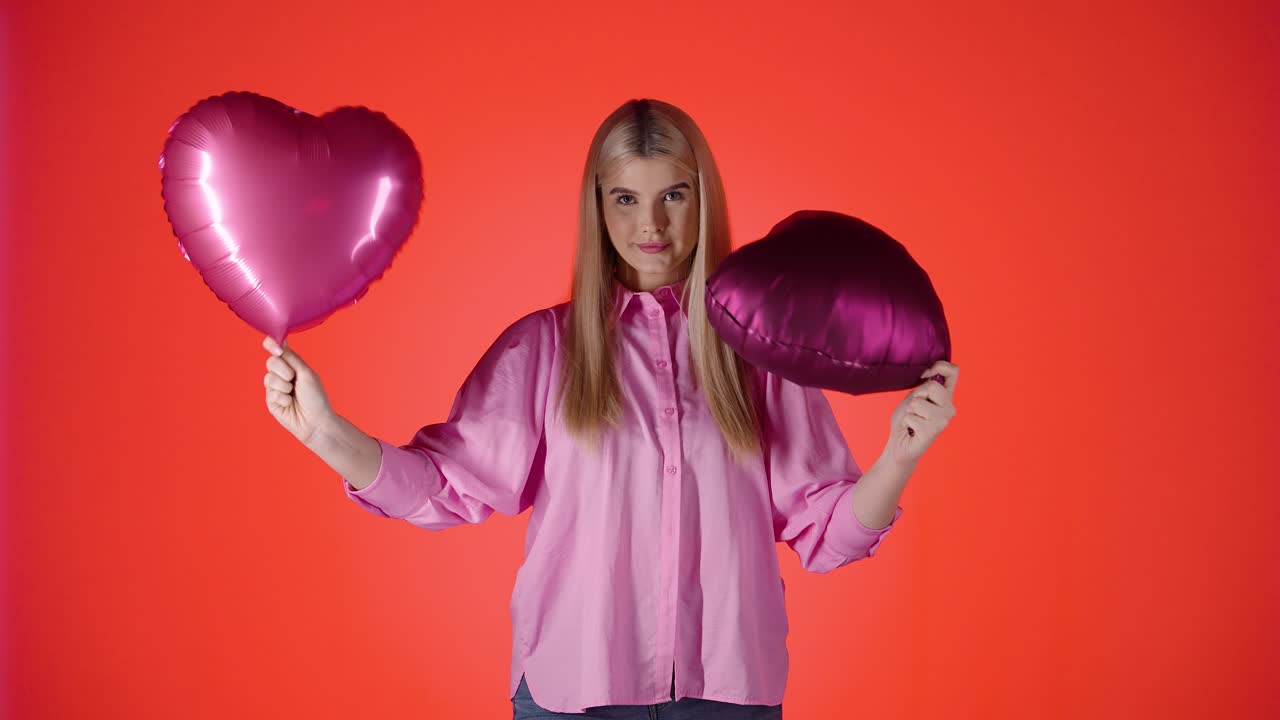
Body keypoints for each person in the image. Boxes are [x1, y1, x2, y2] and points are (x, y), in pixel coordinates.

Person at [262, 98, 958, 719]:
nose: (650, 224)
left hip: (729, 697)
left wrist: (901, 454)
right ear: (597, 206)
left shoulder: (757, 353)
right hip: (575, 695)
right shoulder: (543, 349)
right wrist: (328, 434)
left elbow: (826, 533)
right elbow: (447, 486)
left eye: (673, 195)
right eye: (625, 198)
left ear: (703, 198)